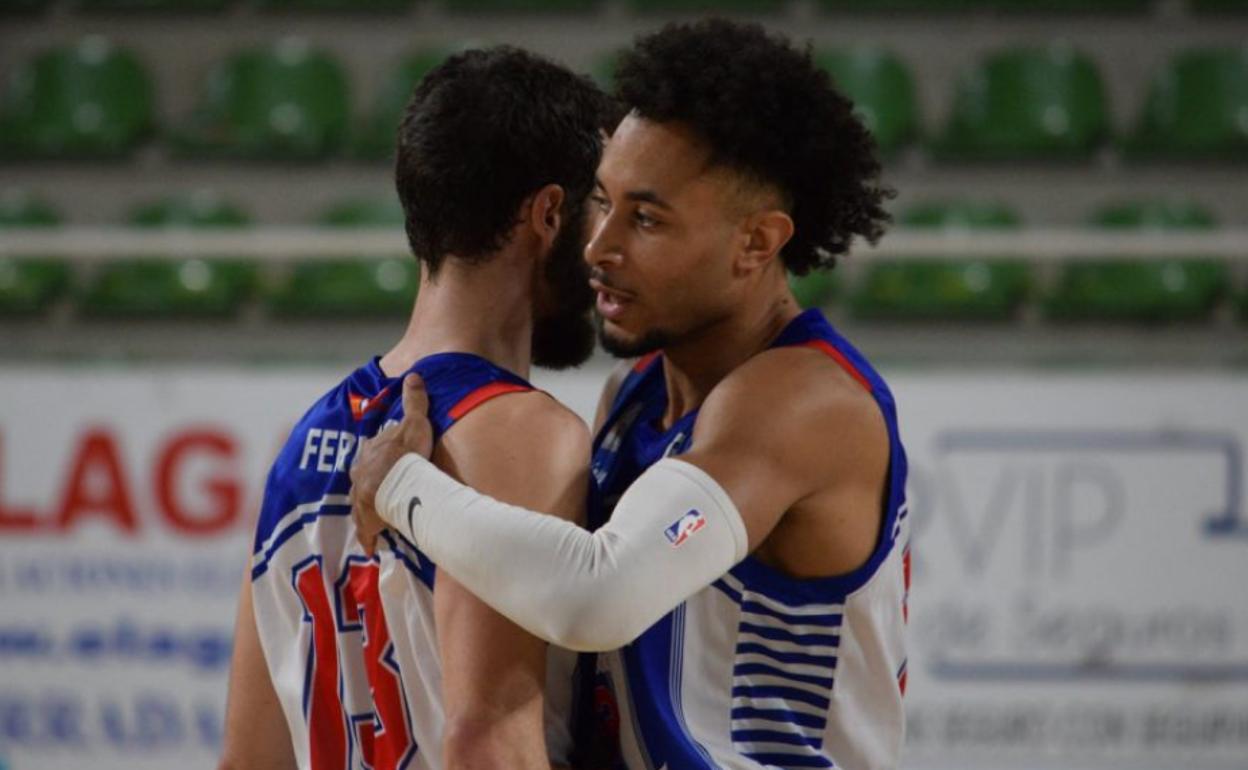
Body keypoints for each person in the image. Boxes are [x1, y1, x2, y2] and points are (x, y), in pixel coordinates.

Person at [350, 19, 909, 770]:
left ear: (757, 243)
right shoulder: (636, 391)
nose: (598, 248)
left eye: (645, 219)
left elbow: (596, 597)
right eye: (602, 203)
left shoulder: (802, 400)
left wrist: (400, 486)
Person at [217, 46, 612, 770]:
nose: (607, 246)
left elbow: (247, 761)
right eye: (604, 207)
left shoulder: (304, 442)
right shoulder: (519, 430)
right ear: (551, 213)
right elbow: (488, 737)